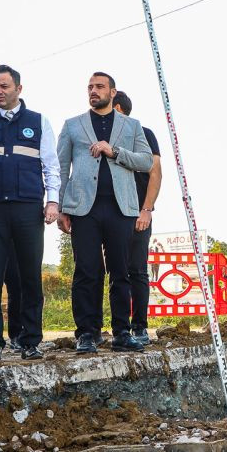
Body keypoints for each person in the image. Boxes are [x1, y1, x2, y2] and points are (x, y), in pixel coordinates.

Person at [0, 65, 60, 361]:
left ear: (19, 88)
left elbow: (51, 166)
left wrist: (52, 201)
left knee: (30, 276)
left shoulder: (39, 122)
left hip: (28, 208)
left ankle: (30, 341)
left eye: (4, 86)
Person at [57, 72, 154, 354]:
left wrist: (114, 152)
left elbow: (146, 161)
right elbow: (62, 167)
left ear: (113, 92)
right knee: (85, 271)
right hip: (83, 209)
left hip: (121, 208)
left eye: (99, 87)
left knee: (121, 272)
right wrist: (62, 206)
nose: (93, 91)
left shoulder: (132, 126)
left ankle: (122, 332)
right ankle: (87, 333)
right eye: (90, 87)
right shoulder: (72, 125)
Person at [111, 91, 162, 347]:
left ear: (118, 107)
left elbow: (155, 174)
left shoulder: (143, 133)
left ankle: (140, 326)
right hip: (111, 214)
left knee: (137, 270)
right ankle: (115, 329)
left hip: (138, 213)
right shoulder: (103, 140)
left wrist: (147, 209)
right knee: (113, 272)